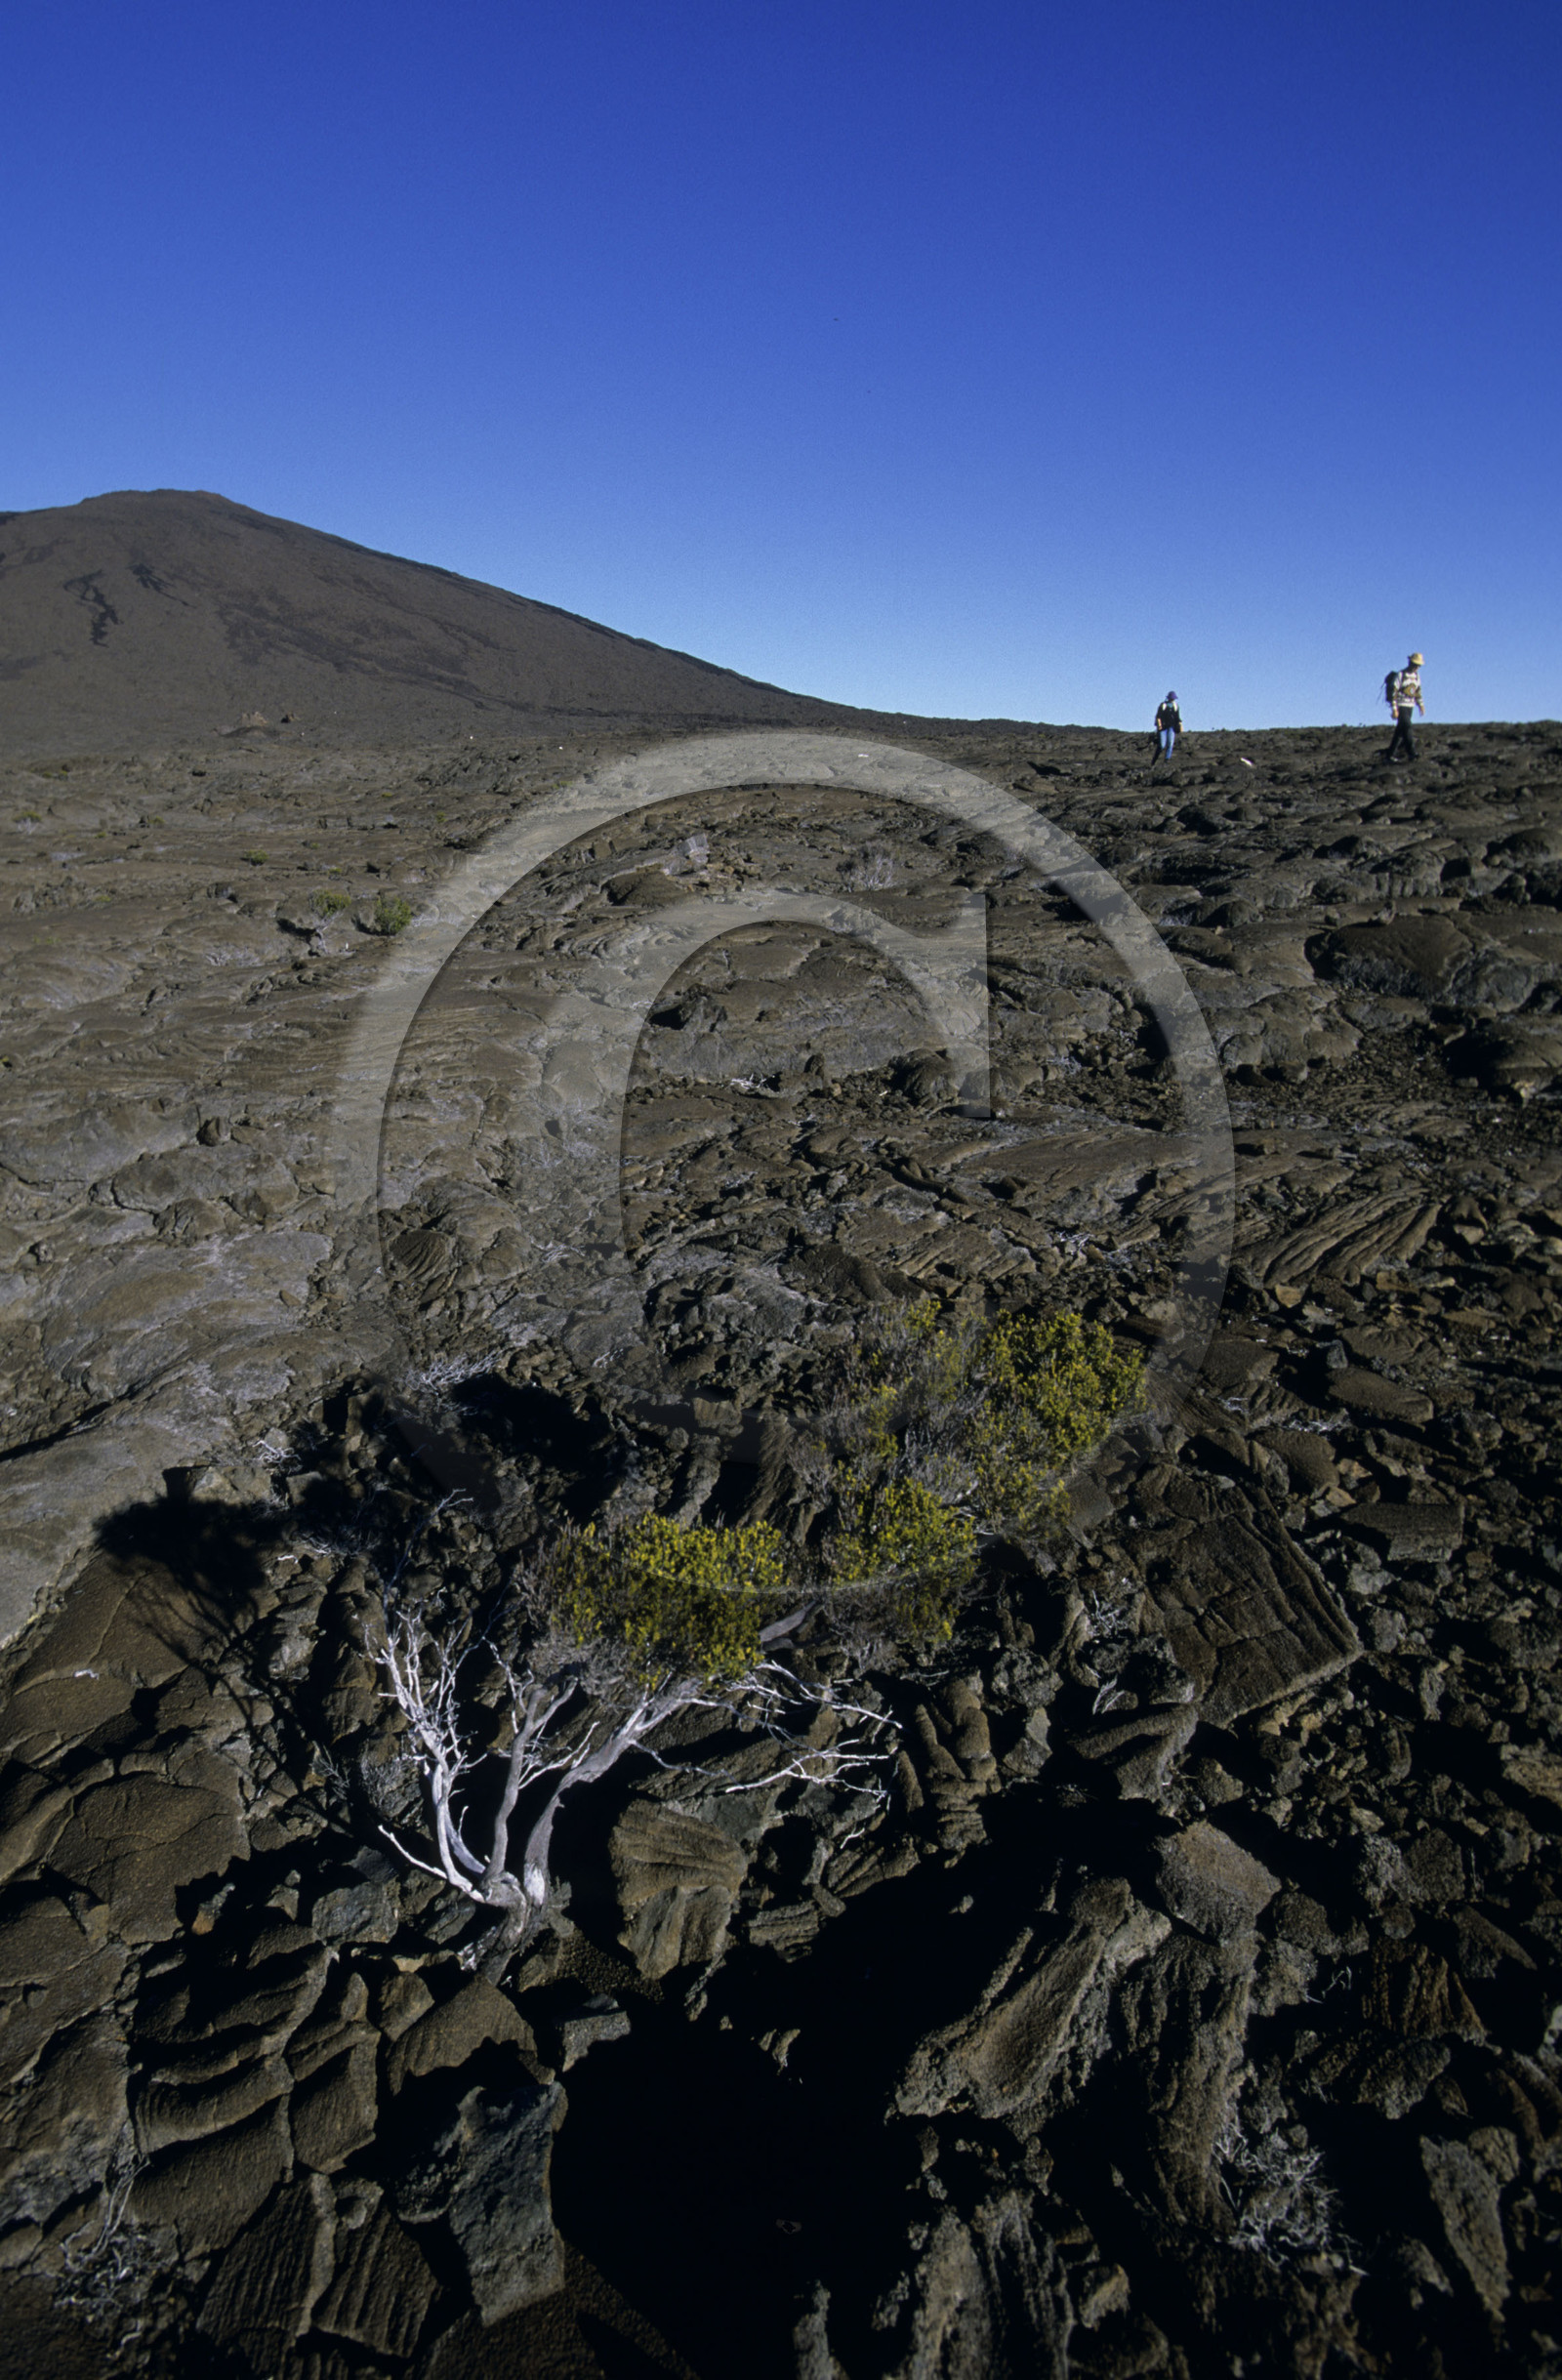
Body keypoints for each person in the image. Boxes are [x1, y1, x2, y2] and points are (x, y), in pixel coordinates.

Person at [1383, 652, 1424, 762]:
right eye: (1415, 664)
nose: (1417, 667)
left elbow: (1417, 691)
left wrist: (1420, 704)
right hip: (1401, 705)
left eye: (1418, 665)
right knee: (1407, 727)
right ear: (1410, 663)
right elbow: (1394, 691)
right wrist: (1394, 709)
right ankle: (1412, 753)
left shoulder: (1416, 677)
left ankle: (1390, 755)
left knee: (1400, 732)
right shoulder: (1401, 675)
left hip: (1410, 706)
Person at [1152, 692, 1182, 764]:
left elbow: (1177, 717)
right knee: (1162, 745)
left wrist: (1180, 725)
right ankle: (1155, 759)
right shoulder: (1163, 705)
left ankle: (1167, 760)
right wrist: (1159, 725)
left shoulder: (1176, 706)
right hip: (1163, 728)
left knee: (1170, 744)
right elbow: (1158, 716)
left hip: (1171, 727)